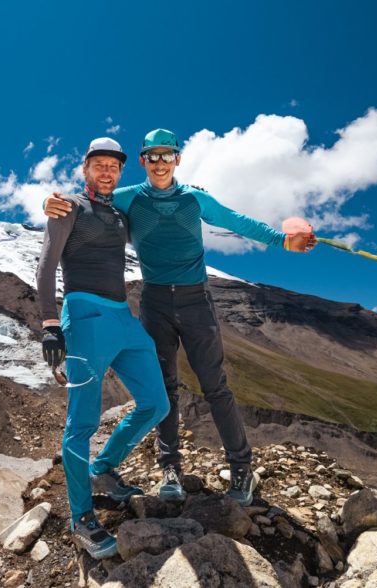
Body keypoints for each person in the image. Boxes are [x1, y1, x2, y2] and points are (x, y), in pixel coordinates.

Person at [44, 128, 316, 507]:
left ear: (178, 159)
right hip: (154, 301)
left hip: (195, 302)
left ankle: (241, 469)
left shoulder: (195, 199)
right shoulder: (127, 198)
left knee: (215, 386)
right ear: (142, 162)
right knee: (164, 389)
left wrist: (284, 241)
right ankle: (169, 467)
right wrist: (53, 202)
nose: (159, 163)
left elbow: (237, 221)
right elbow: (88, 203)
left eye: (166, 155)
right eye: (152, 156)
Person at [37, 137, 170, 559]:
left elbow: (156, 204)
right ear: (85, 169)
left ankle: (103, 469)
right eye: (99, 164)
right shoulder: (68, 207)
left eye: (114, 165)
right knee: (81, 423)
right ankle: (82, 518)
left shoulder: (118, 213)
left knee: (156, 403)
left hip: (122, 318)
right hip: (85, 315)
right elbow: (45, 266)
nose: (108, 171)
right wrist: (50, 325)